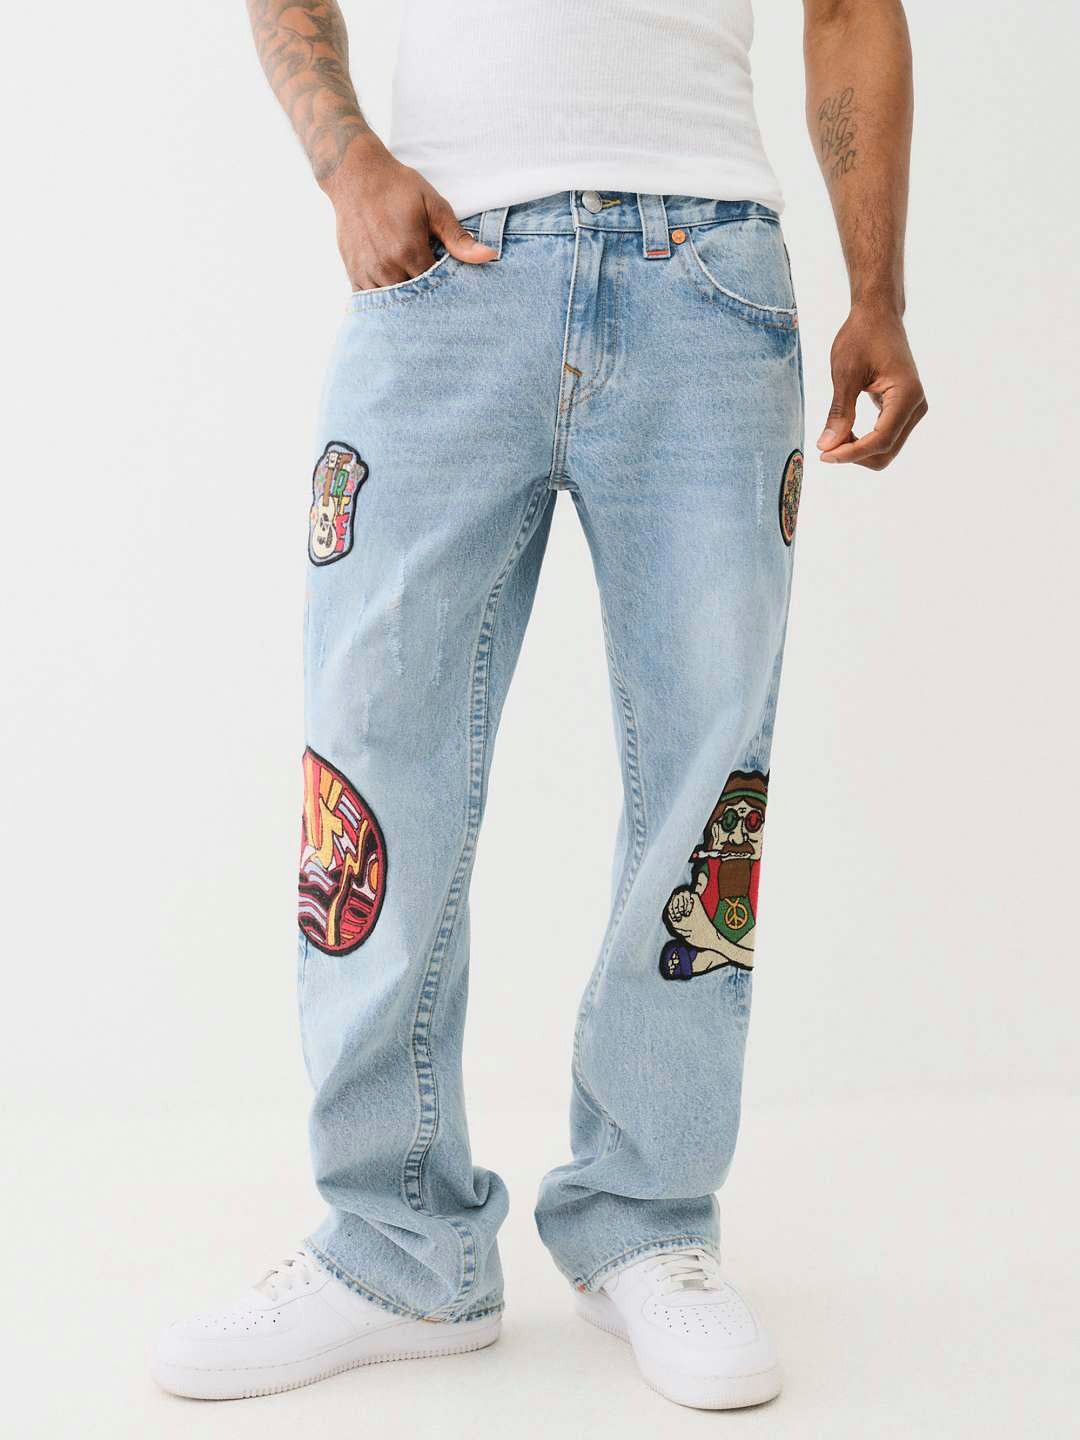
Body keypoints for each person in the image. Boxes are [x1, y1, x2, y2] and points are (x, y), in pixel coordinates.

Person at [153, 0, 926, 1410]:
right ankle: (396, 1246)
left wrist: (878, 290)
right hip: (441, 263)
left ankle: (649, 1220)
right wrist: (346, 163)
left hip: (711, 272)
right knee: (367, 765)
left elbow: (848, 9)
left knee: (708, 785)